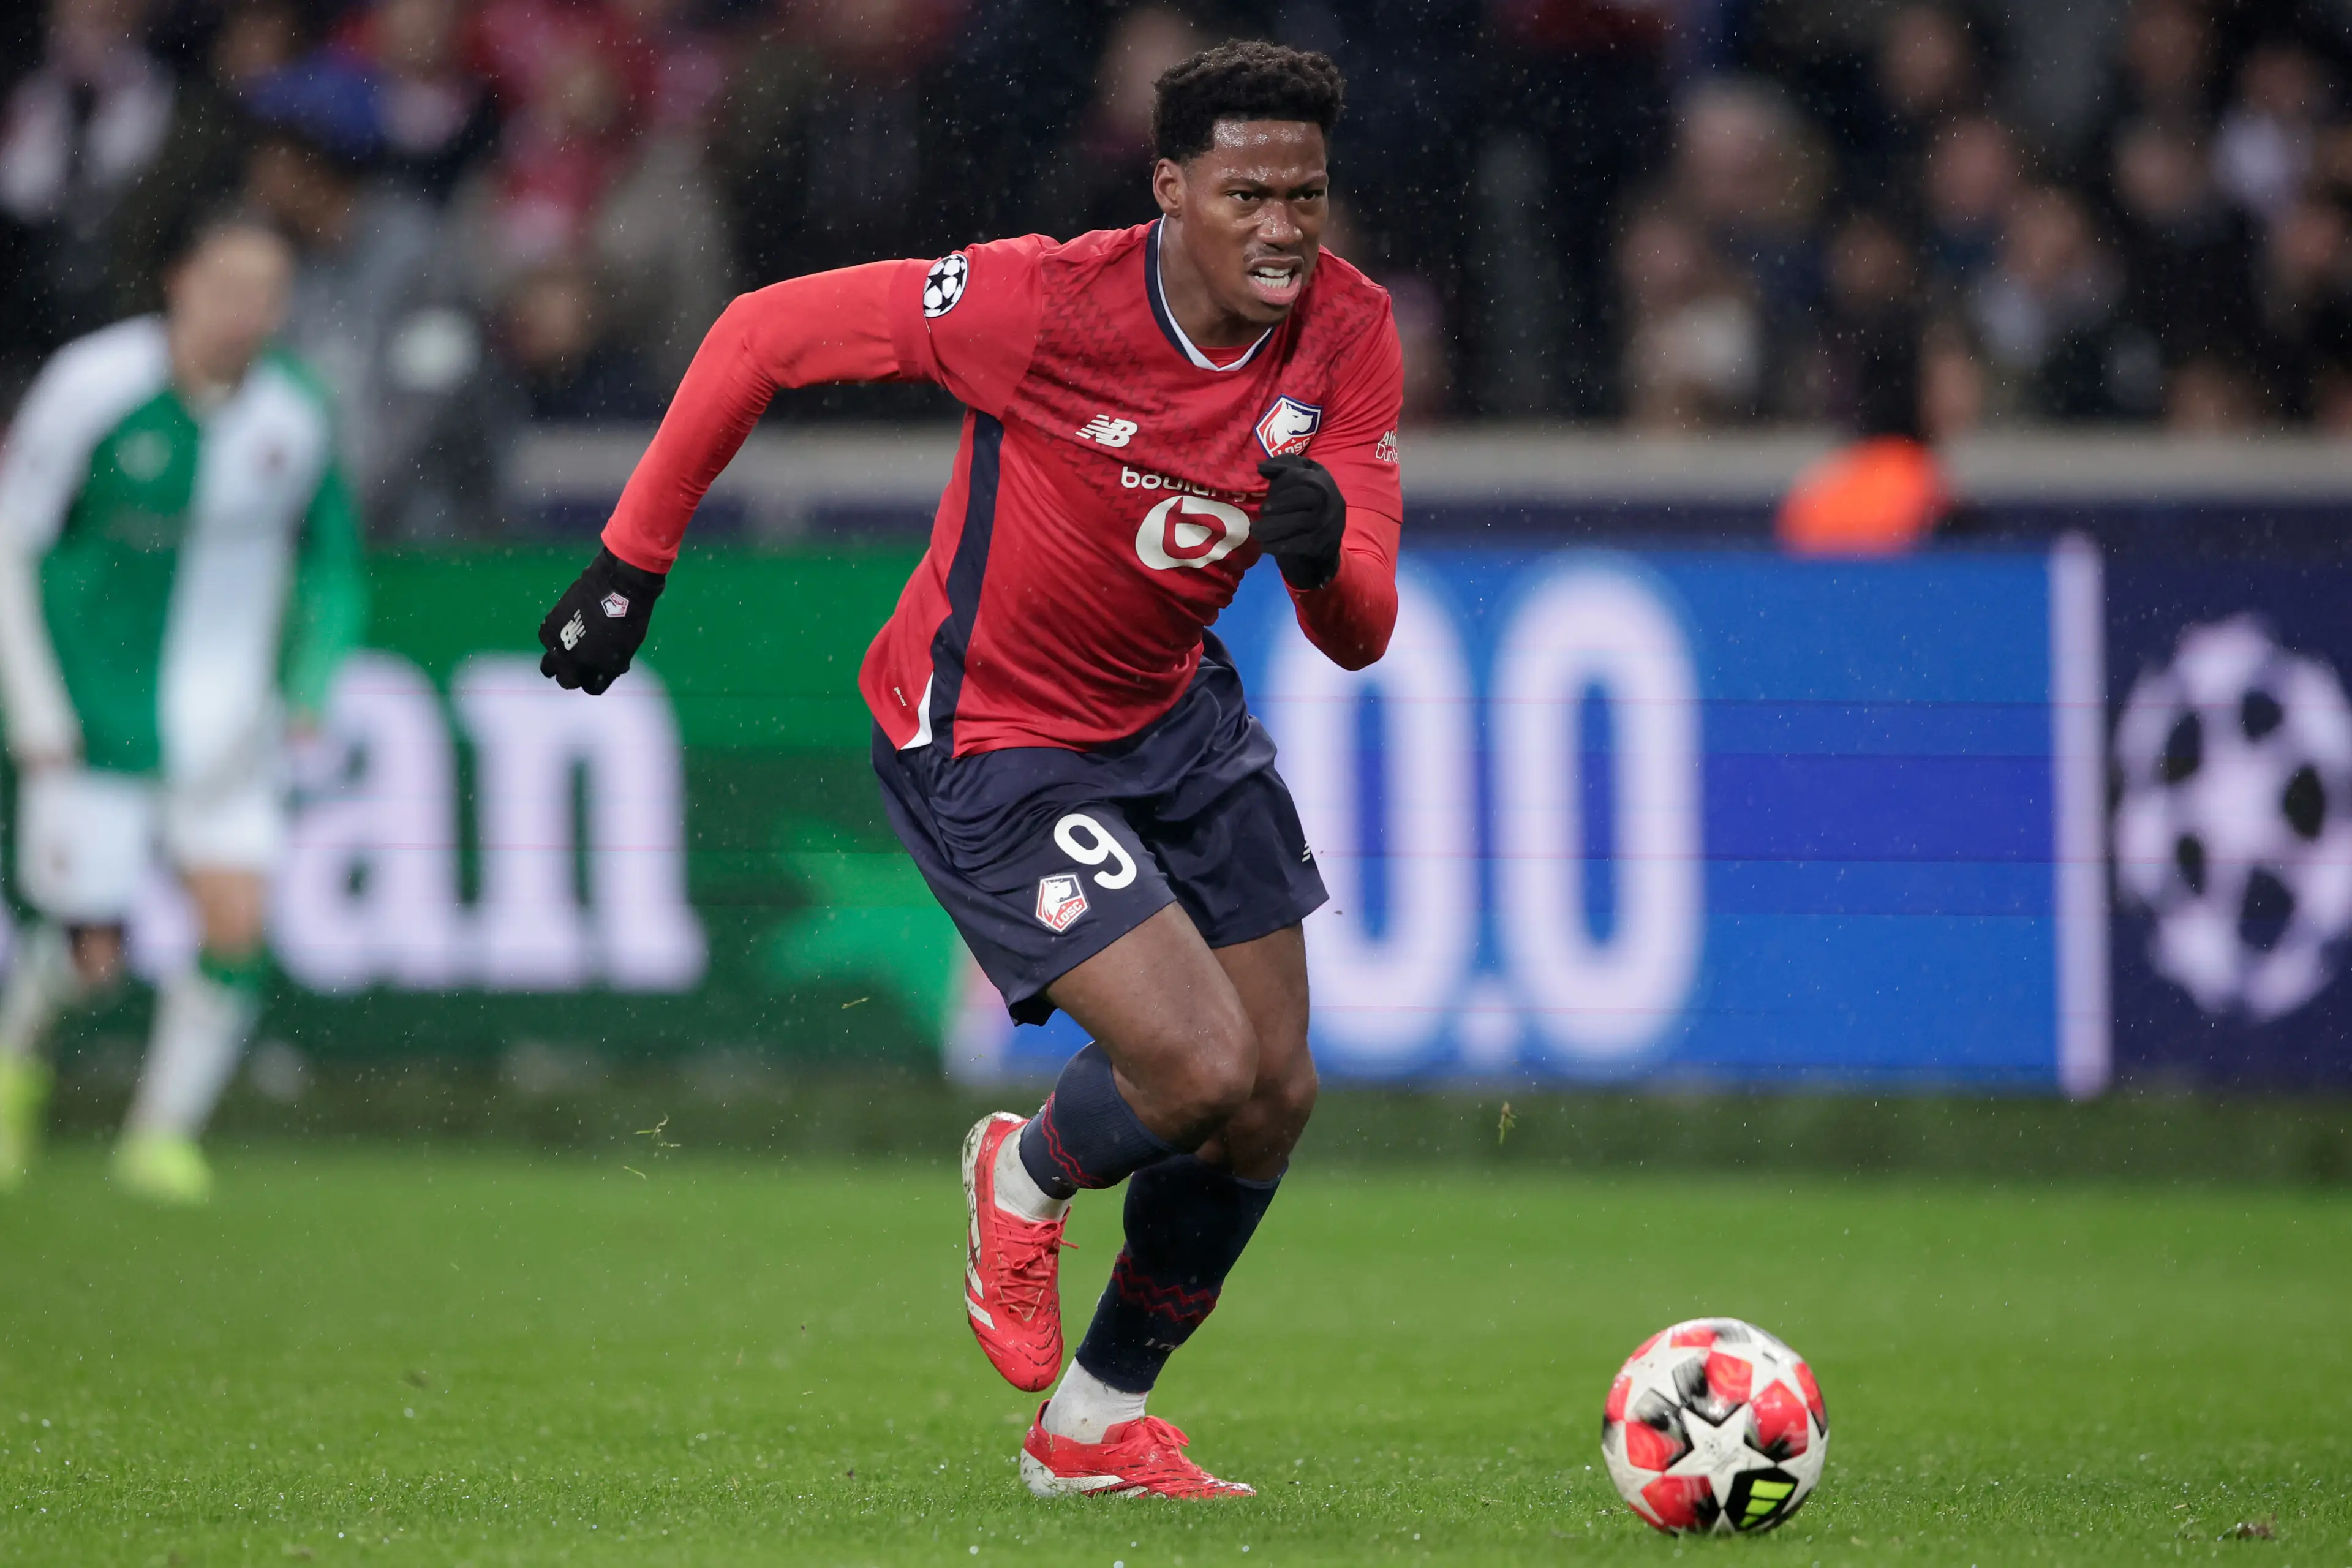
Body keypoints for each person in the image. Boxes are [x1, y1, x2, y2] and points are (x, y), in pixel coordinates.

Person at [534, 41, 1401, 1498]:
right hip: (989, 729)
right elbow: (759, 332)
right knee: (1194, 1064)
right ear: (1170, 189)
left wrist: (1324, 562)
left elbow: (1361, 626)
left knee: (1273, 1095)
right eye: (1248, 192)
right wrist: (631, 564)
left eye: (1306, 194)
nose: (1284, 227)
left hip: (1177, 718)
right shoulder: (1040, 301)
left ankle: (1090, 1425)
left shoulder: (1349, 332)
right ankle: (1025, 1167)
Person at [0, 211, 367, 1204]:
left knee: (236, 921)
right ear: (179, 282)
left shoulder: (294, 411)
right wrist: (34, 705)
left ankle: (159, 1139)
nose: (246, 312)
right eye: (228, 287)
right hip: (95, 714)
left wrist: (308, 683)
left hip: (223, 724)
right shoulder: (94, 385)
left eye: (267, 293)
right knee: (87, 957)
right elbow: (13, 543)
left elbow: (333, 564)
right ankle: (14, 1072)